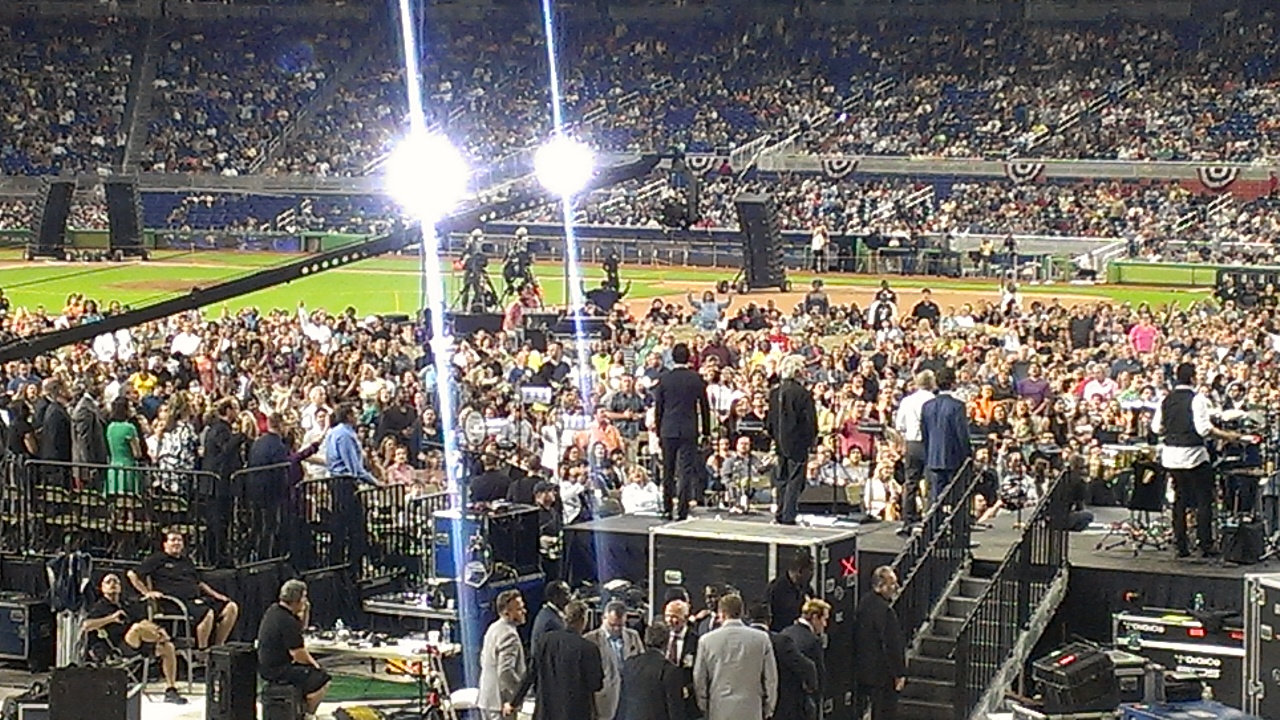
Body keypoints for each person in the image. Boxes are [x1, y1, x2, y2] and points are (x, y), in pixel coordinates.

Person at [1151, 362, 1250, 559]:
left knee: (1180, 499)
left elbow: (1156, 428)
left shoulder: (1165, 399)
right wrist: (1231, 437)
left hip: (1171, 456)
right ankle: (1205, 543)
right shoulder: (1197, 399)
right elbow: (1203, 429)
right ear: (1192, 378)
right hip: (1193, 454)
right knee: (1204, 499)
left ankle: (1181, 544)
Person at [81, 574, 187, 705]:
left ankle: (171, 689)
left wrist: (159, 629)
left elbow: (143, 621)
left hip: (139, 642)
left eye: (116, 582)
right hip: (117, 646)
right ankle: (166, 639)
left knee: (168, 647)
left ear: (120, 587)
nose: (113, 584)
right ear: (102, 587)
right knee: (137, 628)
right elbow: (86, 625)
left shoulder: (127, 604)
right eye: (108, 582)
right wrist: (111, 619)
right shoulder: (99, 607)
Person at [127, 529, 239, 650]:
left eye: (179, 540)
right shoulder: (157, 559)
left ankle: (218, 647)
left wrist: (217, 595)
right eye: (173, 540)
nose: (177, 543)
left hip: (196, 599)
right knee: (207, 613)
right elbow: (132, 574)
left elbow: (199, 583)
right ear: (165, 544)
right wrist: (147, 592)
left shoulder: (187, 561)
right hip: (175, 603)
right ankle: (202, 651)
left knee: (231, 607)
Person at [507, 600, 603, 720]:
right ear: (584, 619)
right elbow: (596, 684)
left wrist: (513, 702)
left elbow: (530, 675)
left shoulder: (545, 641)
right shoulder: (589, 648)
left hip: (546, 713)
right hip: (576, 714)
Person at [693, 594, 777, 720]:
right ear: (742, 612)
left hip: (719, 709)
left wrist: (703, 706)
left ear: (721, 614)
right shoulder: (762, 639)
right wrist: (769, 708)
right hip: (752, 709)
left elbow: (699, 678)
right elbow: (771, 679)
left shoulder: (706, 641)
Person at [256, 579, 330, 720]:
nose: (305, 601)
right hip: (278, 669)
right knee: (322, 678)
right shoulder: (286, 621)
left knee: (311, 672)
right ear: (297, 600)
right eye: (304, 597)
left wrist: (306, 611)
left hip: (267, 666)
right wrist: (315, 665)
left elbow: (300, 628)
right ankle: (308, 714)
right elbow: (298, 654)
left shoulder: (275, 610)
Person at [652, 343, 710, 520]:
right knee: (685, 471)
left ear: (672, 357)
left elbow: (659, 407)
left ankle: (667, 508)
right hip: (688, 429)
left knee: (668, 470)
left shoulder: (665, 379)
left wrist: (659, 430)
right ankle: (683, 510)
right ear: (688, 358)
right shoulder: (696, 378)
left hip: (668, 429)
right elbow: (704, 407)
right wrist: (706, 431)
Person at [766, 354, 817, 525]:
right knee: (795, 480)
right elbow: (810, 421)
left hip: (779, 442)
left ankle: (780, 512)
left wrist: (774, 436)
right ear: (797, 372)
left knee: (782, 478)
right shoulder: (802, 393)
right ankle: (789, 515)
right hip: (798, 442)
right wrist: (811, 440)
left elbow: (769, 420)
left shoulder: (774, 393)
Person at [854, 566, 906, 720]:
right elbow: (892, 644)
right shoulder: (885, 611)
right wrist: (899, 673)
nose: (896, 587)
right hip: (882, 674)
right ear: (880, 585)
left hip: (862, 670)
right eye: (892, 583)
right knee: (884, 712)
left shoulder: (863, 603)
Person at [584, 600, 644, 720]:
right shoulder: (590, 640)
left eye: (620, 625)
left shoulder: (633, 636)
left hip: (630, 698)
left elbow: (641, 664)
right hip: (604, 699)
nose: (616, 629)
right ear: (603, 618)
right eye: (612, 625)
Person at [920, 367, 971, 506]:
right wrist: (968, 455)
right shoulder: (958, 406)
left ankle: (935, 519)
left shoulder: (927, 406)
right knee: (957, 497)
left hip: (933, 457)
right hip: (954, 458)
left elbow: (924, 433)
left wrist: (928, 453)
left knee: (936, 498)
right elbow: (961, 434)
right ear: (953, 383)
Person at [617, 621, 688, 720]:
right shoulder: (670, 670)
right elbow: (675, 710)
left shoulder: (629, 664)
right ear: (667, 642)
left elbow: (622, 704)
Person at [894, 370, 935, 532]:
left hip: (912, 444)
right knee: (930, 483)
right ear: (932, 383)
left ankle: (908, 519)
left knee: (911, 482)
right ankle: (930, 519)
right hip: (929, 443)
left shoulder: (907, 401)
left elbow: (900, 425)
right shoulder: (933, 400)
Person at [479, 589, 527, 720]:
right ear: (507, 613)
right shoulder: (509, 634)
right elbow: (505, 671)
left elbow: (483, 659)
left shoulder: (493, 628)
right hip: (501, 703)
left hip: (487, 699)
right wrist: (519, 694)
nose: (524, 611)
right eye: (519, 609)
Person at [781, 599, 831, 720]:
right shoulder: (813, 641)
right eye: (824, 619)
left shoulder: (784, 633)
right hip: (802, 704)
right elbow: (819, 677)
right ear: (815, 617)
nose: (825, 624)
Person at [661, 599, 699, 720]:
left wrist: (689, 689)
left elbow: (700, 672)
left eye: (674, 617)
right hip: (664, 702)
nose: (669, 620)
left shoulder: (696, 641)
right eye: (667, 616)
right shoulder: (661, 638)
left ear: (685, 617)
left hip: (687, 704)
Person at [323, 403, 376, 484]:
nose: (358, 417)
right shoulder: (345, 435)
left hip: (337, 479)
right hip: (344, 480)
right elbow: (353, 466)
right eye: (356, 414)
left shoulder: (334, 431)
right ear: (349, 416)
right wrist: (374, 482)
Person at [765, 549, 814, 632]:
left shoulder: (807, 589)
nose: (812, 574)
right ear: (800, 571)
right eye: (811, 570)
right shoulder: (776, 588)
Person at [104, 397, 141, 496]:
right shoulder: (129, 428)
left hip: (113, 466)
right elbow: (137, 453)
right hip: (127, 467)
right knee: (128, 499)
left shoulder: (110, 427)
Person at [531, 580, 571, 658]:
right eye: (566, 594)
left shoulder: (546, 613)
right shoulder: (551, 621)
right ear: (556, 597)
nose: (570, 597)